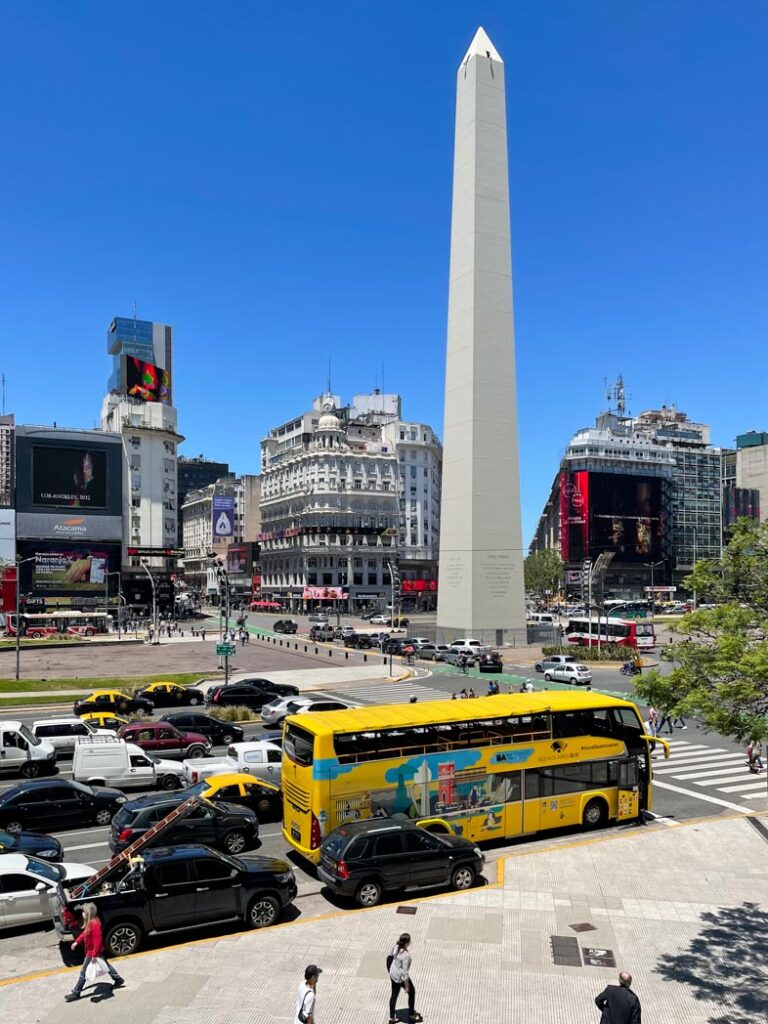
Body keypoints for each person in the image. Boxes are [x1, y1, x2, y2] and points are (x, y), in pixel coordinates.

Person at [65, 903, 124, 1001]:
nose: (82, 914)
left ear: (88, 913)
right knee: (106, 965)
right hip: (94, 951)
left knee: (83, 972)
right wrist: (77, 941)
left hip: (92, 952)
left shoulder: (94, 924)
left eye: (83, 912)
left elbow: (98, 940)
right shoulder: (91, 922)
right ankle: (118, 979)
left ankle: (76, 992)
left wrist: (94, 955)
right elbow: (85, 933)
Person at [388, 933, 422, 1024]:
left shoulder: (396, 946)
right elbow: (405, 973)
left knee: (394, 995)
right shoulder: (406, 956)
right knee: (412, 992)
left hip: (393, 973)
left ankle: (392, 1017)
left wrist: (390, 969)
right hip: (399, 976)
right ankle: (411, 1013)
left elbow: (390, 957)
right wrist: (406, 986)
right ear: (407, 943)